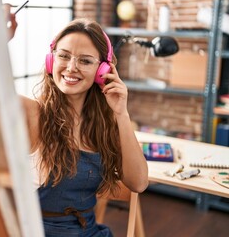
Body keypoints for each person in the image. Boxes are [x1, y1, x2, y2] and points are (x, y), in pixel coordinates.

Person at [20, 18, 148, 236]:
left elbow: (138, 182)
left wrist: (121, 113)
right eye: (63, 56)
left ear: (103, 70)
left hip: (88, 230)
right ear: (51, 61)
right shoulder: (32, 112)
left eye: (85, 61)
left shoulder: (106, 124)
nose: (71, 67)